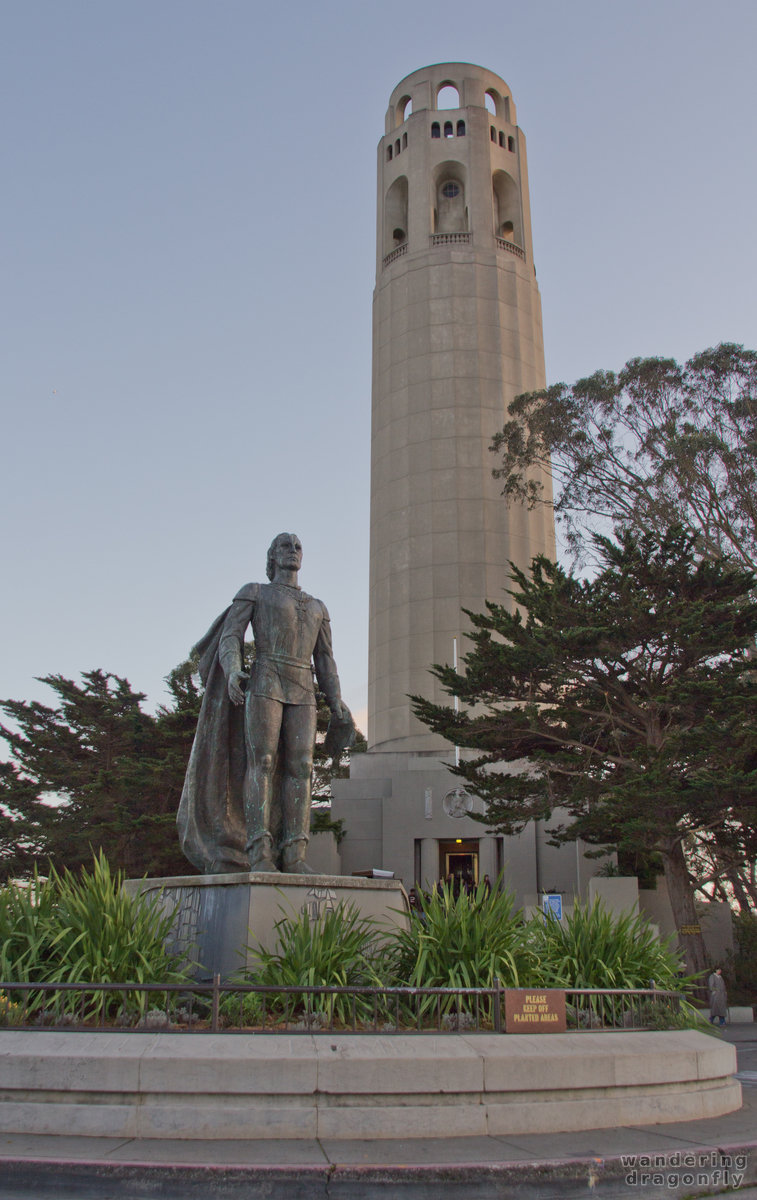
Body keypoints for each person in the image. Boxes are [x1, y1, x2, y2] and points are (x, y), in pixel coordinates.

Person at [177, 533, 353, 875]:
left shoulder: (318, 606)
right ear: (272, 556)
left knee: (302, 767)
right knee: (263, 761)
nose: (293, 551)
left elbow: (326, 660)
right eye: (285, 546)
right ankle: (259, 851)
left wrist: (336, 700)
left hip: (303, 688)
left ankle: (295, 854)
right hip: (265, 680)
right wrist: (232, 670)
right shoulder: (255, 591)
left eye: (298, 546)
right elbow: (231, 635)